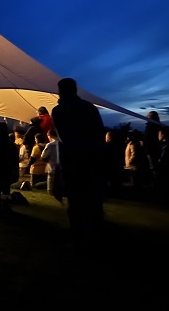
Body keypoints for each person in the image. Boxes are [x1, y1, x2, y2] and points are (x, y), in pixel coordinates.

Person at [51, 77, 106, 242]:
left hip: (73, 160)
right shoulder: (89, 107)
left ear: (60, 91)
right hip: (92, 158)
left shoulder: (59, 110)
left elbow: (64, 138)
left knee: (75, 198)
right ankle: (95, 230)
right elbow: (99, 133)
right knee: (92, 195)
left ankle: (78, 233)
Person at [143, 110, 162, 175]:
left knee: (153, 167)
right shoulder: (154, 125)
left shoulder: (152, 126)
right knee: (153, 166)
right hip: (150, 149)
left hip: (151, 150)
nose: (147, 116)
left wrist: (145, 143)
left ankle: (156, 179)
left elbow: (150, 137)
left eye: (149, 115)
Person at [41, 128, 60, 195]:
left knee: (50, 188)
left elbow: (43, 156)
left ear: (50, 136)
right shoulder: (62, 143)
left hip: (51, 168)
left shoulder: (50, 145)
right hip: (61, 169)